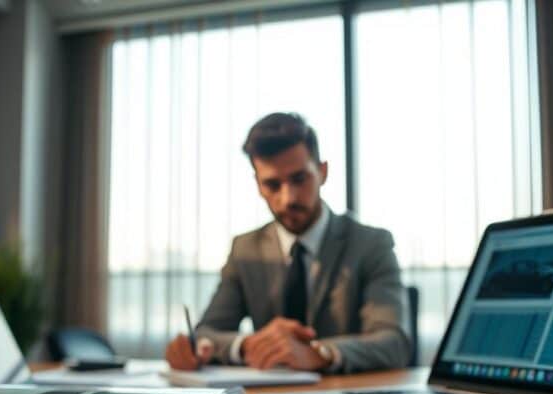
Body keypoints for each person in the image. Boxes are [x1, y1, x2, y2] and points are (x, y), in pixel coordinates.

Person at [165, 112, 410, 373]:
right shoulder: (245, 250)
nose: (288, 198)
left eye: (299, 179)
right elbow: (207, 332)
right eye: (272, 184)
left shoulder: (371, 244)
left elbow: (393, 342)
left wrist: (321, 353)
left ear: (322, 172)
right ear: (258, 185)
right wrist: (249, 346)